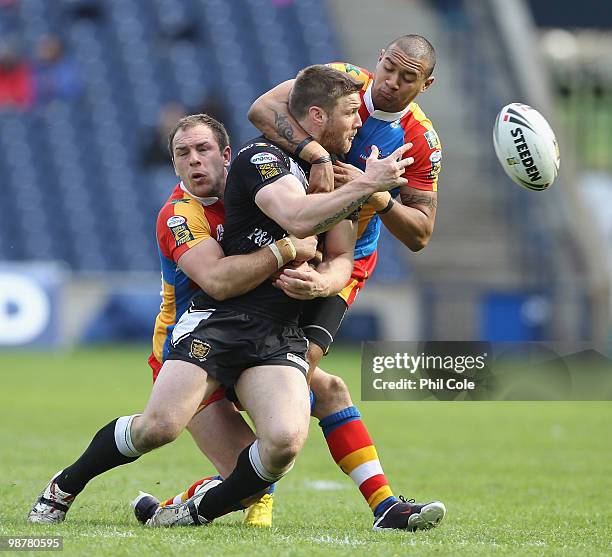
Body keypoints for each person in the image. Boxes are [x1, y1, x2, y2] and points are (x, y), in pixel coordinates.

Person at [28, 66, 413, 528]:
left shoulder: (298, 177)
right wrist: (290, 247)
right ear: (173, 165)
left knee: (290, 436)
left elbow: (339, 260)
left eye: (203, 150)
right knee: (162, 430)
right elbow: (221, 281)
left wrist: (323, 281)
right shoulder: (184, 210)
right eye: (183, 154)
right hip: (197, 330)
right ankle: (65, 484)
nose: (195, 161)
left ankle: (377, 504)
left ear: (224, 155)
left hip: (268, 332)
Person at [139, 34, 445, 532]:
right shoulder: (342, 80)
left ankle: (371, 504)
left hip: (342, 259)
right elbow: (262, 108)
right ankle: (240, 495)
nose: (390, 82)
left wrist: (379, 196)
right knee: (297, 382)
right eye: (388, 67)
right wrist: (317, 157)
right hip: (287, 237)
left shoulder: (420, 142)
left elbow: (422, 234)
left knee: (300, 376)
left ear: (425, 85)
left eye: (407, 77)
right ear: (378, 58)